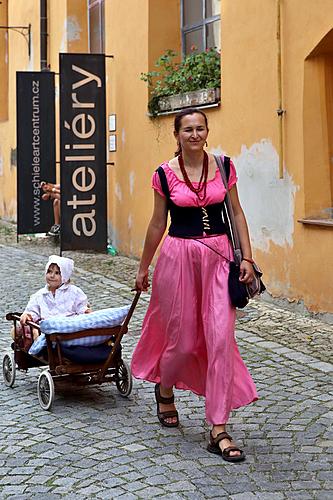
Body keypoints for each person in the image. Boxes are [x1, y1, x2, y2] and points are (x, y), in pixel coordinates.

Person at [131, 108, 258, 463]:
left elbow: (236, 213)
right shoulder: (164, 174)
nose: (195, 134)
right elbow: (158, 223)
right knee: (183, 341)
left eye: (200, 128)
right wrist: (143, 267)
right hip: (178, 261)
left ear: (207, 131)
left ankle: (219, 427)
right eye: (188, 129)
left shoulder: (224, 166)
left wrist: (246, 258)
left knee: (220, 340)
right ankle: (165, 387)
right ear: (177, 135)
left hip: (218, 260)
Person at [20, 255, 90, 327]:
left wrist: (85, 311)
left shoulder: (74, 292)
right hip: (48, 329)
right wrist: (29, 315)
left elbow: (81, 307)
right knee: (34, 329)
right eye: (49, 272)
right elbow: (33, 310)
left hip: (69, 327)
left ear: (64, 276)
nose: (52, 276)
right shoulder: (40, 295)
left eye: (57, 273)